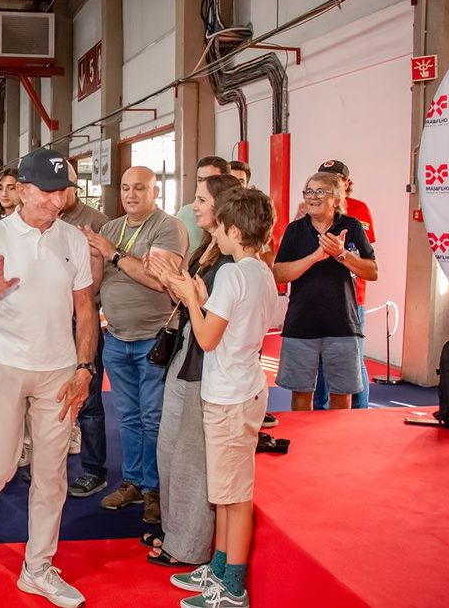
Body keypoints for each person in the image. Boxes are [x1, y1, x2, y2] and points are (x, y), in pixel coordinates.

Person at [0, 147, 96, 608]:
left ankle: (38, 568)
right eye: (48, 192)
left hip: (59, 371)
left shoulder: (72, 239)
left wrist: (85, 367)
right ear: (23, 191)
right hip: (5, 365)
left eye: (64, 191)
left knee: (52, 476)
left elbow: (85, 308)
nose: (57, 200)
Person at [164, 187, 280, 608]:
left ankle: (232, 586)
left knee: (234, 497)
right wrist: (201, 299)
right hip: (242, 386)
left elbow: (208, 338)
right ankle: (218, 568)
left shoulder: (233, 273)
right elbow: (231, 323)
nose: (214, 235)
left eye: (219, 229)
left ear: (233, 231)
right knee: (226, 493)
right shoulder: (261, 272)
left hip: (230, 394)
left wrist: (191, 300)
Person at [146, 174, 242, 568]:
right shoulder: (208, 249)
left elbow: (215, 319)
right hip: (186, 358)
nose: (195, 205)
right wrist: (171, 283)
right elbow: (195, 302)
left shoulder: (233, 263)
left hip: (205, 365)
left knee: (190, 459)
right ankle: (175, 532)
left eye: (201, 199)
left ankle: (188, 546)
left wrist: (186, 293)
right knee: (170, 450)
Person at [83, 167, 187, 523]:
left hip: (155, 338)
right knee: (127, 416)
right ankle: (134, 482)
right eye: (125, 187)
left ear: (154, 192)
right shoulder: (111, 229)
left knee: (153, 417)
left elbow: (160, 281)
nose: (130, 194)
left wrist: (113, 254)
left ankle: (156, 488)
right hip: (116, 337)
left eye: (139, 188)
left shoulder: (167, 227)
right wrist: (95, 259)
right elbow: (97, 282)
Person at [274, 172, 378, 411]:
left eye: (320, 191)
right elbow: (278, 274)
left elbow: (372, 271)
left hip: (342, 325)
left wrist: (341, 254)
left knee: (342, 395)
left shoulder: (352, 227)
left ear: (336, 199)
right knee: (301, 394)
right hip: (301, 324)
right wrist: (314, 257)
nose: (313, 197)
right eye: (309, 191)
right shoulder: (295, 230)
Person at [59, 166, 109, 497]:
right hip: (50, 320)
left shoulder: (97, 222)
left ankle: (93, 470)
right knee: (48, 396)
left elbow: (104, 275)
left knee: (88, 399)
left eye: (62, 186)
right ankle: (47, 464)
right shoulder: (43, 220)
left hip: (83, 318)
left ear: (75, 186)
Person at [313, 160, 376, 410]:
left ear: (346, 183)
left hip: (351, 298)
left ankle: (360, 413)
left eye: (334, 179)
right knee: (319, 361)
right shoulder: (309, 209)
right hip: (318, 298)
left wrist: (341, 253)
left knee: (353, 361)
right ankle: (319, 412)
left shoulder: (359, 210)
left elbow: (366, 258)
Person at [176, 157, 229, 257]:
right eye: (200, 180)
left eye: (211, 180)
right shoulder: (185, 213)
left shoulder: (236, 223)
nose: (204, 184)